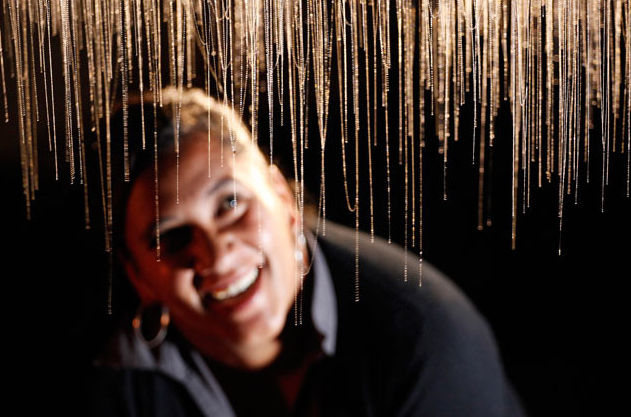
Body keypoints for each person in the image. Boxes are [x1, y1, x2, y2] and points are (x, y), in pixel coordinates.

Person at [88, 87, 525, 417]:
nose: (217, 255)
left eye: (231, 203)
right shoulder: (115, 381)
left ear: (282, 198)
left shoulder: (423, 343)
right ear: (139, 276)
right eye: (171, 236)